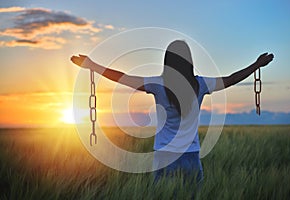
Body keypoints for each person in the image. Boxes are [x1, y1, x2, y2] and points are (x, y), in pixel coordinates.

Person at [71, 40, 274, 185]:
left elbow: (123, 77)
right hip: (191, 157)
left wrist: (93, 66)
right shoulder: (200, 84)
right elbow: (230, 79)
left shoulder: (158, 84)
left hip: (164, 156)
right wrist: (257, 65)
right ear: (189, 62)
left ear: (167, 62)